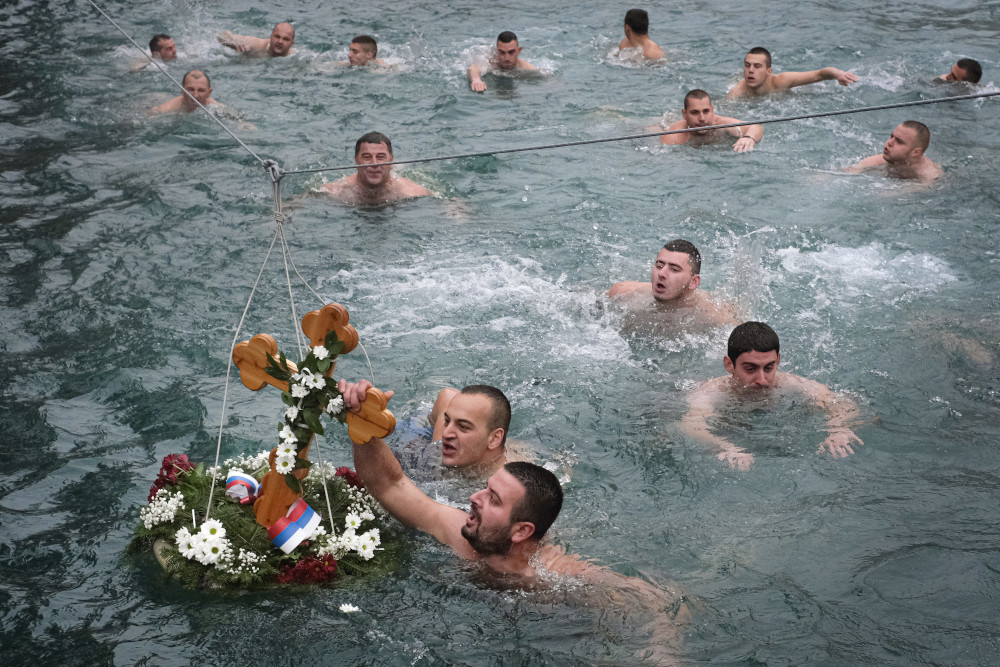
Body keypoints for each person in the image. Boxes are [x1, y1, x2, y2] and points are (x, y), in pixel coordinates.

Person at [338, 378, 694, 657]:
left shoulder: (556, 575)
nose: (474, 499)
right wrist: (363, 425)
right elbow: (389, 484)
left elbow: (666, 602)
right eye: (486, 489)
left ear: (523, 531)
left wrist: (662, 655)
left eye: (492, 499)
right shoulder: (460, 535)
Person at [680, 322, 864, 470]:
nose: (762, 380)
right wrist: (724, 446)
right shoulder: (712, 393)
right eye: (750, 369)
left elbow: (840, 403)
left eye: (769, 367)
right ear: (729, 365)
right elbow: (691, 426)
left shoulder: (791, 384)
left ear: (778, 361)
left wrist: (838, 429)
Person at [609, 240, 738, 332]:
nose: (662, 274)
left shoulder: (717, 315)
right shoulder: (624, 293)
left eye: (674, 269)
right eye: (659, 266)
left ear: (694, 282)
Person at [319, 131, 430, 206]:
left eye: (380, 157)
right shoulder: (335, 192)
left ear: (391, 160)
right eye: (367, 157)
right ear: (356, 161)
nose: (374, 163)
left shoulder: (412, 193)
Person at [726, 47, 858, 99]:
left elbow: (820, 74)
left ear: (769, 71)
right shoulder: (738, 91)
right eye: (747, 66)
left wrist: (838, 74)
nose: (750, 71)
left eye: (757, 66)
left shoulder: (782, 81)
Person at [661, 89, 763, 152]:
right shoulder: (673, 138)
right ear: (684, 114)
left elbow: (755, 127)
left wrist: (749, 138)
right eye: (695, 112)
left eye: (706, 111)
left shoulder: (721, 124)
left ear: (712, 110)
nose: (702, 118)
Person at [845, 120, 942, 183]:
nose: (889, 143)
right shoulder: (879, 161)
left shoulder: (929, 175)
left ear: (916, 153)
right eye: (891, 136)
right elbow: (846, 172)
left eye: (899, 141)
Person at [467, 31, 537, 92]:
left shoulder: (527, 68)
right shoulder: (491, 62)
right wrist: (476, 79)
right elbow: (473, 68)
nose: (507, 58)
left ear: (519, 51)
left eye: (511, 52)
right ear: (496, 51)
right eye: (502, 52)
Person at [148, 70, 219, 115]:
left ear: (209, 93)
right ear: (182, 90)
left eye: (201, 90)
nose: (195, 96)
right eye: (190, 89)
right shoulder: (165, 110)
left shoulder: (216, 107)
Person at [218, 22, 295, 57]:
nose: (280, 42)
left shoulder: (294, 57)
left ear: (292, 43)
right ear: (270, 37)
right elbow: (221, 35)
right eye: (277, 37)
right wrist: (233, 41)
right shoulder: (257, 45)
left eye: (286, 39)